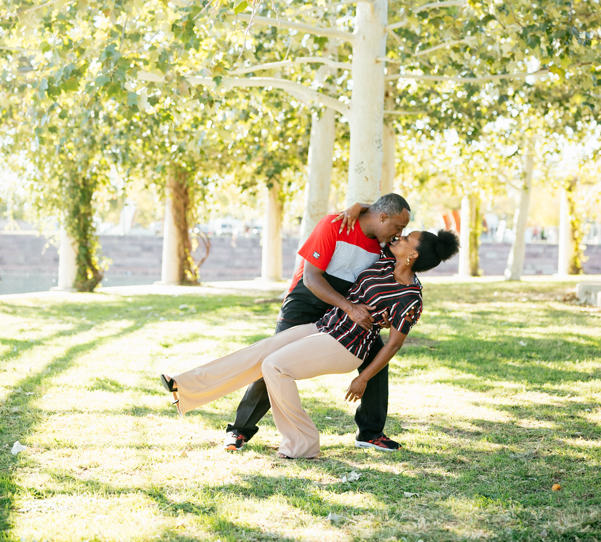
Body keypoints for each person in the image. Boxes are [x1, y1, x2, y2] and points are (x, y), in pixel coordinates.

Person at [160, 229, 459, 459]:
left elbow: (392, 345)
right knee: (260, 353)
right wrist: (355, 210)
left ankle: (303, 443)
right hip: (323, 327)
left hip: (347, 346)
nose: (399, 237)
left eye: (407, 238)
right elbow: (372, 223)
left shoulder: (410, 297)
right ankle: (184, 387)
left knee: (274, 366)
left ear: (413, 257)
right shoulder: (383, 262)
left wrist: (364, 378)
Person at [223, 193, 412, 453]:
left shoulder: (383, 244)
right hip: (307, 303)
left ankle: (370, 433)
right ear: (382, 217)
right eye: (397, 227)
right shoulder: (335, 224)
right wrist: (349, 308)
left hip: (345, 311)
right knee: (272, 362)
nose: (398, 233)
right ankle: (239, 431)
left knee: (376, 356)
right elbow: (312, 279)